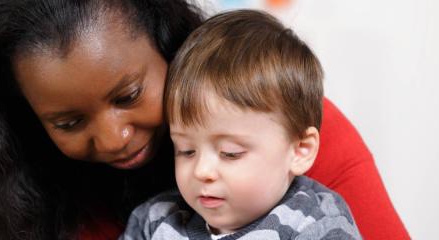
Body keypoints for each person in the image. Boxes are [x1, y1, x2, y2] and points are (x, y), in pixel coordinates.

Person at [0, 0, 408, 239]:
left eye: (130, 94)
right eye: (69, 123)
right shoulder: (0, 196)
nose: (115, 136)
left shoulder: (280, 129)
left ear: (167, 44)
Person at [120, 10, 361, 239]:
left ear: (299, 150)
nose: (201, 171)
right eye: (186, 150)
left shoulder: (317, 224)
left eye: (230, 153)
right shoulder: (155, 219)